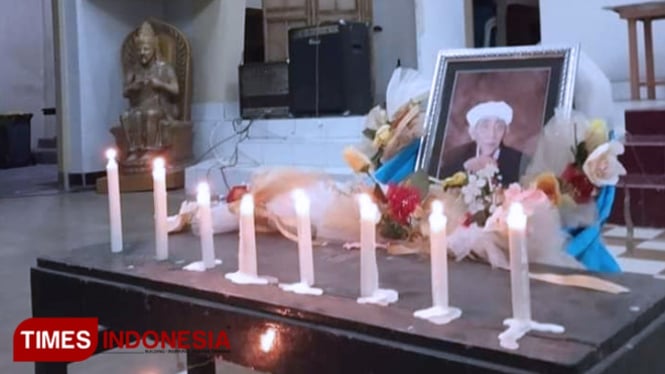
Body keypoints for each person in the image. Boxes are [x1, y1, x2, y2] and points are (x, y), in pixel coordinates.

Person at [120, 21, 180, 162]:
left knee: (150, 114)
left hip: (161, 106)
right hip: (139, 105)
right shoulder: (135, 69)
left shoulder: (164, 67)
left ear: (154, 48)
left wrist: (160, 84)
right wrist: (133, 87)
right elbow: (125, 92)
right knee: (127, 116)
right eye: (140, 50)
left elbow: (175, 89)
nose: (142, 53)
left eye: (146, 49)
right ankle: (135, 150)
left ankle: (151, 150)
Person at [438, 101, 524, 184]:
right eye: (485, 126)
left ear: (506, 131)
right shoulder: (454, 156)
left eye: (499, 127)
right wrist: (465, 168)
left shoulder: (520, 161)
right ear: (473, 132)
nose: (492, 134)